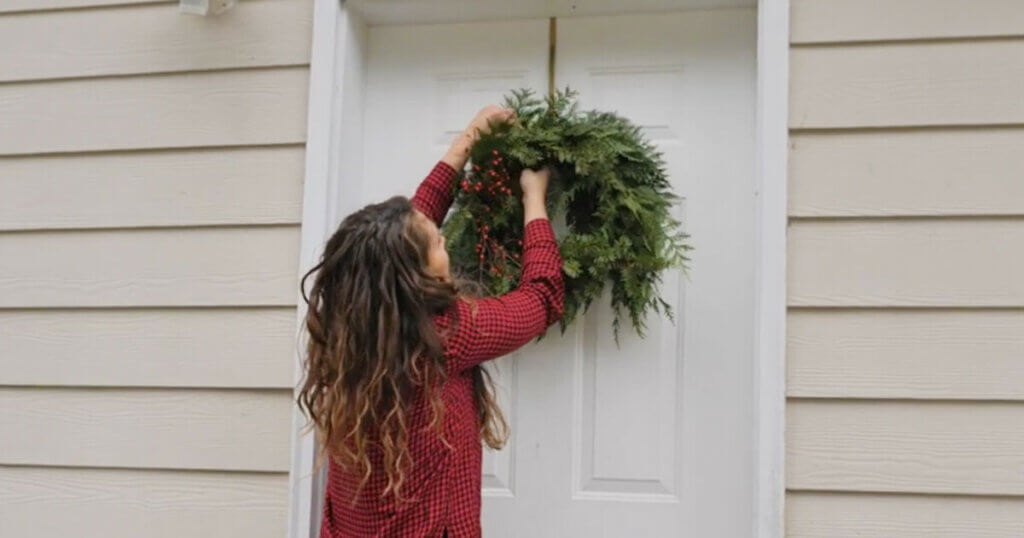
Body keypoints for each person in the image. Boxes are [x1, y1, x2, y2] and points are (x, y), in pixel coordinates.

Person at [298, 105, 565, 538]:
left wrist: (467, 140)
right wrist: (534, 199)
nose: (442, 241)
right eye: (438, 243)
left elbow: (402, 239)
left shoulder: (352, 322)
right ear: (417, 272)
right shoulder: (447, 334)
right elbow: (541, 298)